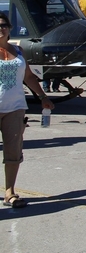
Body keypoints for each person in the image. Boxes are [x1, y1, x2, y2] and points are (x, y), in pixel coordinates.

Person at [0, 11, 54, 208]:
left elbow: (29, 77)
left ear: (10, 28)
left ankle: (9, 192)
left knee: (13, 151)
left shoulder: (18, 51)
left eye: (4, 25)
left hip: (15, 107)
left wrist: (42, 96)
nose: (1, 29)